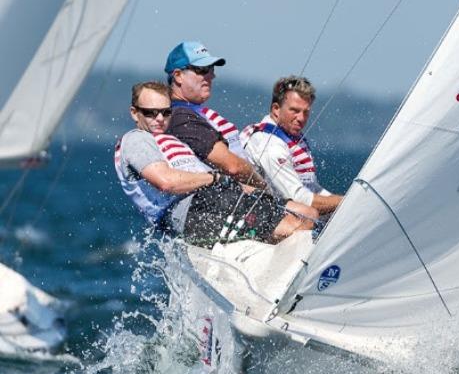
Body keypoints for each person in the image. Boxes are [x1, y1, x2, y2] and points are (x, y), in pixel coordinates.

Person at [115, 81, 316, 247]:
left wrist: (252, 189)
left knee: (308, 214)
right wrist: (215, 178)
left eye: (166, 112)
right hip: (194, 212)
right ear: (134, 113)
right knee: (293, 227)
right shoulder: (136, 139)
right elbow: (167, 182)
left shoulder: (171, 140)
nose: (159, 119)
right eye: (151, 113)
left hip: (219, 198)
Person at [164, 41, 267, 189]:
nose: (212, 76)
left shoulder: (196, 112)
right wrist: (265, 189)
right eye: (202, 69)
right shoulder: (180, 116)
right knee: (304, 211)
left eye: (211, 69)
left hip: (240, 194)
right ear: (178, 76)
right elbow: (233, 167)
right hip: (228, 198)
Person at [241, 76, 343, 215]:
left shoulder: (291, 137)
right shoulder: (270, 144)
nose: (301, 118)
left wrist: (348, 202)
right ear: (276, 109)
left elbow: (311, 188)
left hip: (281, 209)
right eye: (294, 110)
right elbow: (298, 198)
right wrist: (342, 202)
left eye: (306, 112)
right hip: (253, 216)